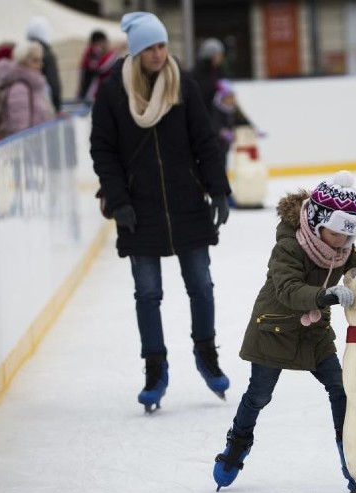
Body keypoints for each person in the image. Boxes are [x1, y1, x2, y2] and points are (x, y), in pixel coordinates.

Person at [210, 170, 356, 492]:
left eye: (348, 235)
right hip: (274, 329)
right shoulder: (288, 247)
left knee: (341, 390)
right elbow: (287, 288)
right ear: (316, 222)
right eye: (336, 233)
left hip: (313, 335)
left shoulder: (343, 251)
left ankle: (353, 464)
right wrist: (323, 296)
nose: (342, 243)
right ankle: (236, 446)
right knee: (259, 395)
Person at [90, 12, 233, 413]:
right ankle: (155, 369)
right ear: (136, 52)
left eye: (162, 45)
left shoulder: (181, 85)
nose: (158, 53)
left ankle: (207, 355)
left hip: (187, 203)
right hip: (139, 208)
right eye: (150, 47)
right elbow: (103, 150)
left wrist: (218, 190)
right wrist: (119, 201)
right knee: (148, 292)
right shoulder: (113, 93)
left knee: (201, 286)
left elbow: (205, 142)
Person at [0, 40, 55, 139]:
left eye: (40, 60)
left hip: (40, 144)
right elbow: (20, 130)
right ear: (23, 62)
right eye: (35, 60)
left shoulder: (35, 87)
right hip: (31, 147)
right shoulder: (19, 89)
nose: (40, 65)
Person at [27, 16, 62, 113]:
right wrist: (57, 108)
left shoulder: (24, 53)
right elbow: (54, 83)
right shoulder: (47, 55)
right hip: (44, 108)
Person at [78, 30, 120, 102]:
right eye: (105, 42)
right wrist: (115, 52)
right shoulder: (93, 52)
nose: (107, 45)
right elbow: (101, 67)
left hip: (93, 93)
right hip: (91, 94)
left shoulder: (93, 52)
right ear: (99, 42)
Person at [192, 37, 226, 115]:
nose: (221, 58)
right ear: (211, 56)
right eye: (219, 55)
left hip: (216, 114)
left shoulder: (219, 71)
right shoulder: (198, 73)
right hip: (203, 112)